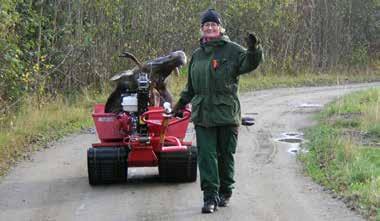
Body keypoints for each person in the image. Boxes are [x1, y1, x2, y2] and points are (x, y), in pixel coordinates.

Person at [173, 9, 263, 214]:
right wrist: (180, 104)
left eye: (214, 25)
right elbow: (191, 87)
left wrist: (254, 48)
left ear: (220, 28)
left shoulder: (232, 50)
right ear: (202, 30)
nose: (210, 28)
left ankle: (225, 190)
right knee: (206, 156)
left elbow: (250, 63)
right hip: (203, 114)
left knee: (225, 156)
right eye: (206, 25)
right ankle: (210, 196)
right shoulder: (197, 55)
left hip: (226, 114)